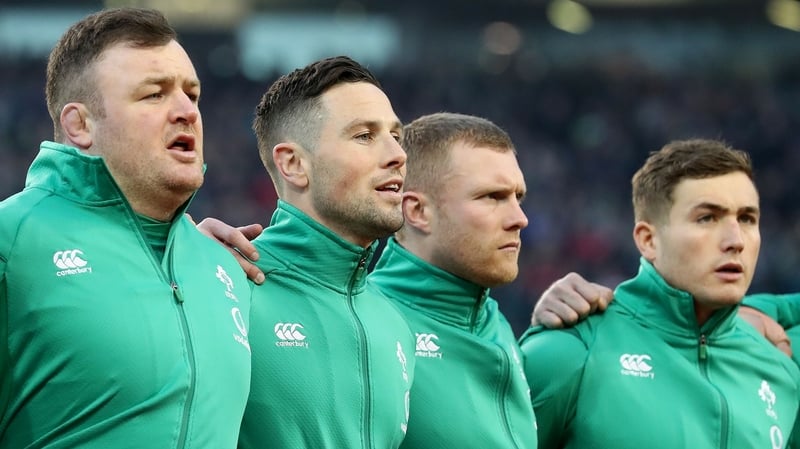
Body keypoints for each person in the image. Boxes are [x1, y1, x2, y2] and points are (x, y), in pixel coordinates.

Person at [0, 7, 252, 448]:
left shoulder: (223, 265)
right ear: (79, 125)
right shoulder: (12, 243)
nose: (186, 111)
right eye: (154, 94)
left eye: (192, 95)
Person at [519, 138, 800, 448]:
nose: (736, 241)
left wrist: (760, 309)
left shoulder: (780, 368)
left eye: (747, 218)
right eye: (706, 218)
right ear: (648, 240)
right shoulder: (573, 350)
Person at [236, 56, 415, 449]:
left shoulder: (394, 323)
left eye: (395, 136)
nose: (398, 155)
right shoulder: (230, 290)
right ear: (294, 164)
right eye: (364, 136)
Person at [367, 112, 538, 448]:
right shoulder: (368, 325)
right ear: (417, 211)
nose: (520, 219)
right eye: (492, 197)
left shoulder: (496, 323)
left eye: (518, 197)